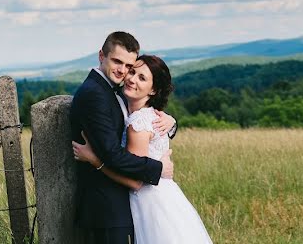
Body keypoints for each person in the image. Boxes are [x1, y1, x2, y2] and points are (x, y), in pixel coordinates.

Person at [73, 54, 213, 244]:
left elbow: (135, 182)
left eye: (142, 78)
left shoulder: (138, 122)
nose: (131, 79)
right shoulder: (147, 115)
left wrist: (94, 160)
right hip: (165, 195)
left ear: (153, 89)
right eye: (132, 72)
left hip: (150, 202)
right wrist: (172, 122)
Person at [70, 31, 178, 244]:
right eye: (116, 61)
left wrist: (172, 123)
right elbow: (112, 154)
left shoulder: (113, 90)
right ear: (102, 56)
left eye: (129, 66)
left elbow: (147, 120)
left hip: (122, 205)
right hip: (106, 209)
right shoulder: (95, 94)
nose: (123, 71)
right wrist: (157, 168)